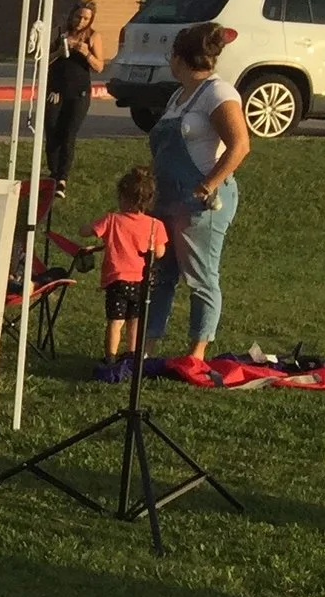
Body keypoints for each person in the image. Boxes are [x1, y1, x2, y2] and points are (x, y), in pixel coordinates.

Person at [146, 22, 251, 363]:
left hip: (200, 203)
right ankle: (146, 346)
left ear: (180, 58)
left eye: (171, 56)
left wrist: (207, 185)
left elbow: (240, 146)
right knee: (161, 275)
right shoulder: (178, 97)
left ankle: (197, 352)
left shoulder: (218, 93)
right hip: (166, 200)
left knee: (201, 276)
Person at [88, 164, 168, 381]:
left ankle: (111, 358)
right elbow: (160, 252)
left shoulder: (112, 220)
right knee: (135, 319)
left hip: (118, 280)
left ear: (124, 197)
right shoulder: (155, 225)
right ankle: (132, 355)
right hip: (142, 281)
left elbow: (89, 231)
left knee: (116, 321)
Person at [44, 0, 102, 195]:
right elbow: (43, 61)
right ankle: (53, 172)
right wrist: (60, 51)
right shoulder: (60, 32)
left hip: (79, 93)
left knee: (69, 134)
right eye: (78, 17)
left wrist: (87, 53)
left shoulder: (92, 37)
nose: (80, 22)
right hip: (56, 90)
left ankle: (62, 177)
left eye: (86, 19)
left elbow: (99, 67)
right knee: (52, 131)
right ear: (72, 15)